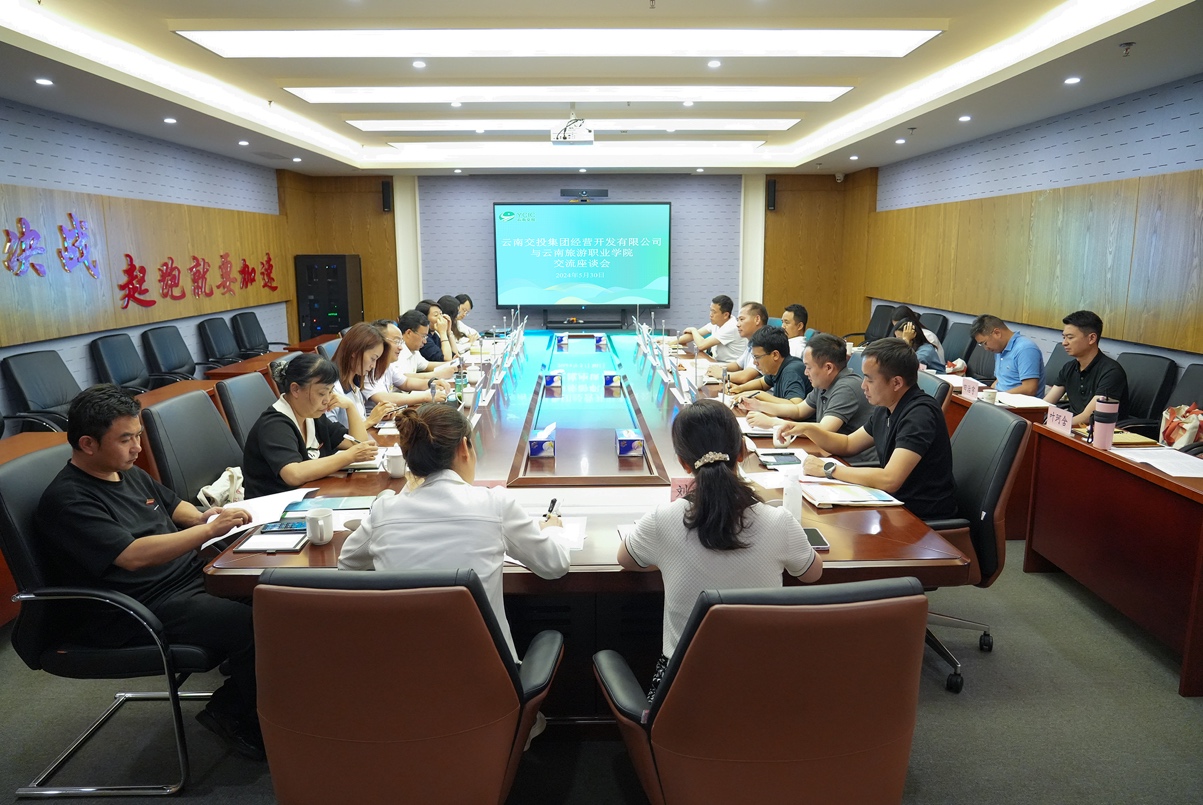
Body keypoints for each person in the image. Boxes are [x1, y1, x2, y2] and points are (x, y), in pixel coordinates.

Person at [35, 385, 263, 759]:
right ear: (88, 444)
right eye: (125, 439)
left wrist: (206, 517)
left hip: (185, 580)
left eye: (138, 435)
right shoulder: (69, 499)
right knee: (252, 623)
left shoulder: (125, 471)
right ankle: (233, 713)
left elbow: (173, 507)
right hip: (137, 607)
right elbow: (132, 556)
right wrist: (206, 532)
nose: (137, 448)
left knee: (275, 595)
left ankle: (267, 697)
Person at [618, 399, 822, 699]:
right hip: (763, 694)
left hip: (681, 698)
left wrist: (668, 558)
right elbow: (811, 574)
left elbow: (626, 559)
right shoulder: (779, 521)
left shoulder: (662, 520)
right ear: (742, 452)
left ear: (683, 463)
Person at [338, 404, 571, 662]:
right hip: (487, 676)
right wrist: (553, 530)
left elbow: (347, 565)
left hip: (404, 676)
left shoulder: (384, 511)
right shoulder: (495, 505)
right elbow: (555, 565)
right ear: (463, 447)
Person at [782, 338, 958, 521]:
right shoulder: (886, 407)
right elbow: (848, 444)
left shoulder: (919, 415)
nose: (863, 385)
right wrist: (807, 429)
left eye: (869, 379)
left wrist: (828, 469)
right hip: (893, 504)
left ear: (896, 383)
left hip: (920, 516)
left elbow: (890, 479)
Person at [242, 353, 379, 497]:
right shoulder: (274, 425)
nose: (327, 400)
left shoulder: (312, 416)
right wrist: (349, 456)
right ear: (295, 389)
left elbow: (357, 443)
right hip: (274, 505)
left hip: (309, 495)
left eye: (331, 391)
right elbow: (294, 474)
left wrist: (350, 406)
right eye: (321, 393)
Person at [741, 332, 878, 464]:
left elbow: (824, 430)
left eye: (808, 367)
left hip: (852, 463)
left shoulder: (846, 387)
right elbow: (799, 410)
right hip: (832, 455)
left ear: (828, 368)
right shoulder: (823, 382)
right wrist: (759, 405)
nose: (806, 372)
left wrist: (772, 423)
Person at [1043, 310, 1129, 426]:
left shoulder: (1111, 372)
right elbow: (1046, 404)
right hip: (1071, 426)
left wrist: (1052, 425)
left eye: (1070, 337)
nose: (1064, 343)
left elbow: (1088, 417)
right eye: (1064, 337)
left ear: (1091, 338)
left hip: (1097, 431)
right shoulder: (1069, 367)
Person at [363, 316, 451, 413]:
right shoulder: (368, 367)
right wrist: (425, 396)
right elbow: (383, 397)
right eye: (397, 341)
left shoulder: (388, 365)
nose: (401, 347)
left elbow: (406, 383)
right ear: (380, 342)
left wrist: (431, 383)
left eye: (401, 342)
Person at [326, 322, 394, 430]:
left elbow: (359, 420)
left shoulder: (355, 381)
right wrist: (370, 420)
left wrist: (378, 416)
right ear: (355, 352)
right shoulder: (331, 388)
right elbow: (331, 436)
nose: (373, 366)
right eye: (373, 358)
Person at [969, 314, 1046, 397]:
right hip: (1000, 399)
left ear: (997, 333)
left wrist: (999, 396)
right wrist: (988, 395)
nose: (986, 348)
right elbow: (1000, 380)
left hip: (1017, 403)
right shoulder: (999, 349)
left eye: (985, 343)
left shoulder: (1025, 349)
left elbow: (1029, 389)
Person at [728, 326, 811, 400]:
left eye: (757, 357)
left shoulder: (791, 372)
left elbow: (795, 404)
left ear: (775, 355)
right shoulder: (777, 368)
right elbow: (761, 383)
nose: (754, 362)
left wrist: (758, 395)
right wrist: (740, 388)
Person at [669, 294, 747, 364]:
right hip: (718, 362)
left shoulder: (731, 327)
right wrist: (671, 342)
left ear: (726, 315)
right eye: (710, 310)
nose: (710, 314)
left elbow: (701, 345)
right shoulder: (717, 322)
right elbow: (693, 335)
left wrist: (693, 330)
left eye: (714, 312)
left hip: (731, 367)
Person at [706, 301, 769, 383]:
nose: (737, 324)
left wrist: (721, 373)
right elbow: (738, 365)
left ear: (757, 319)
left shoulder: (765, 343)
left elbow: (744, 377)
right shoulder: (752, 342)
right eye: (738, 320)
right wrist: (715, 368)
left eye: (742, 319)